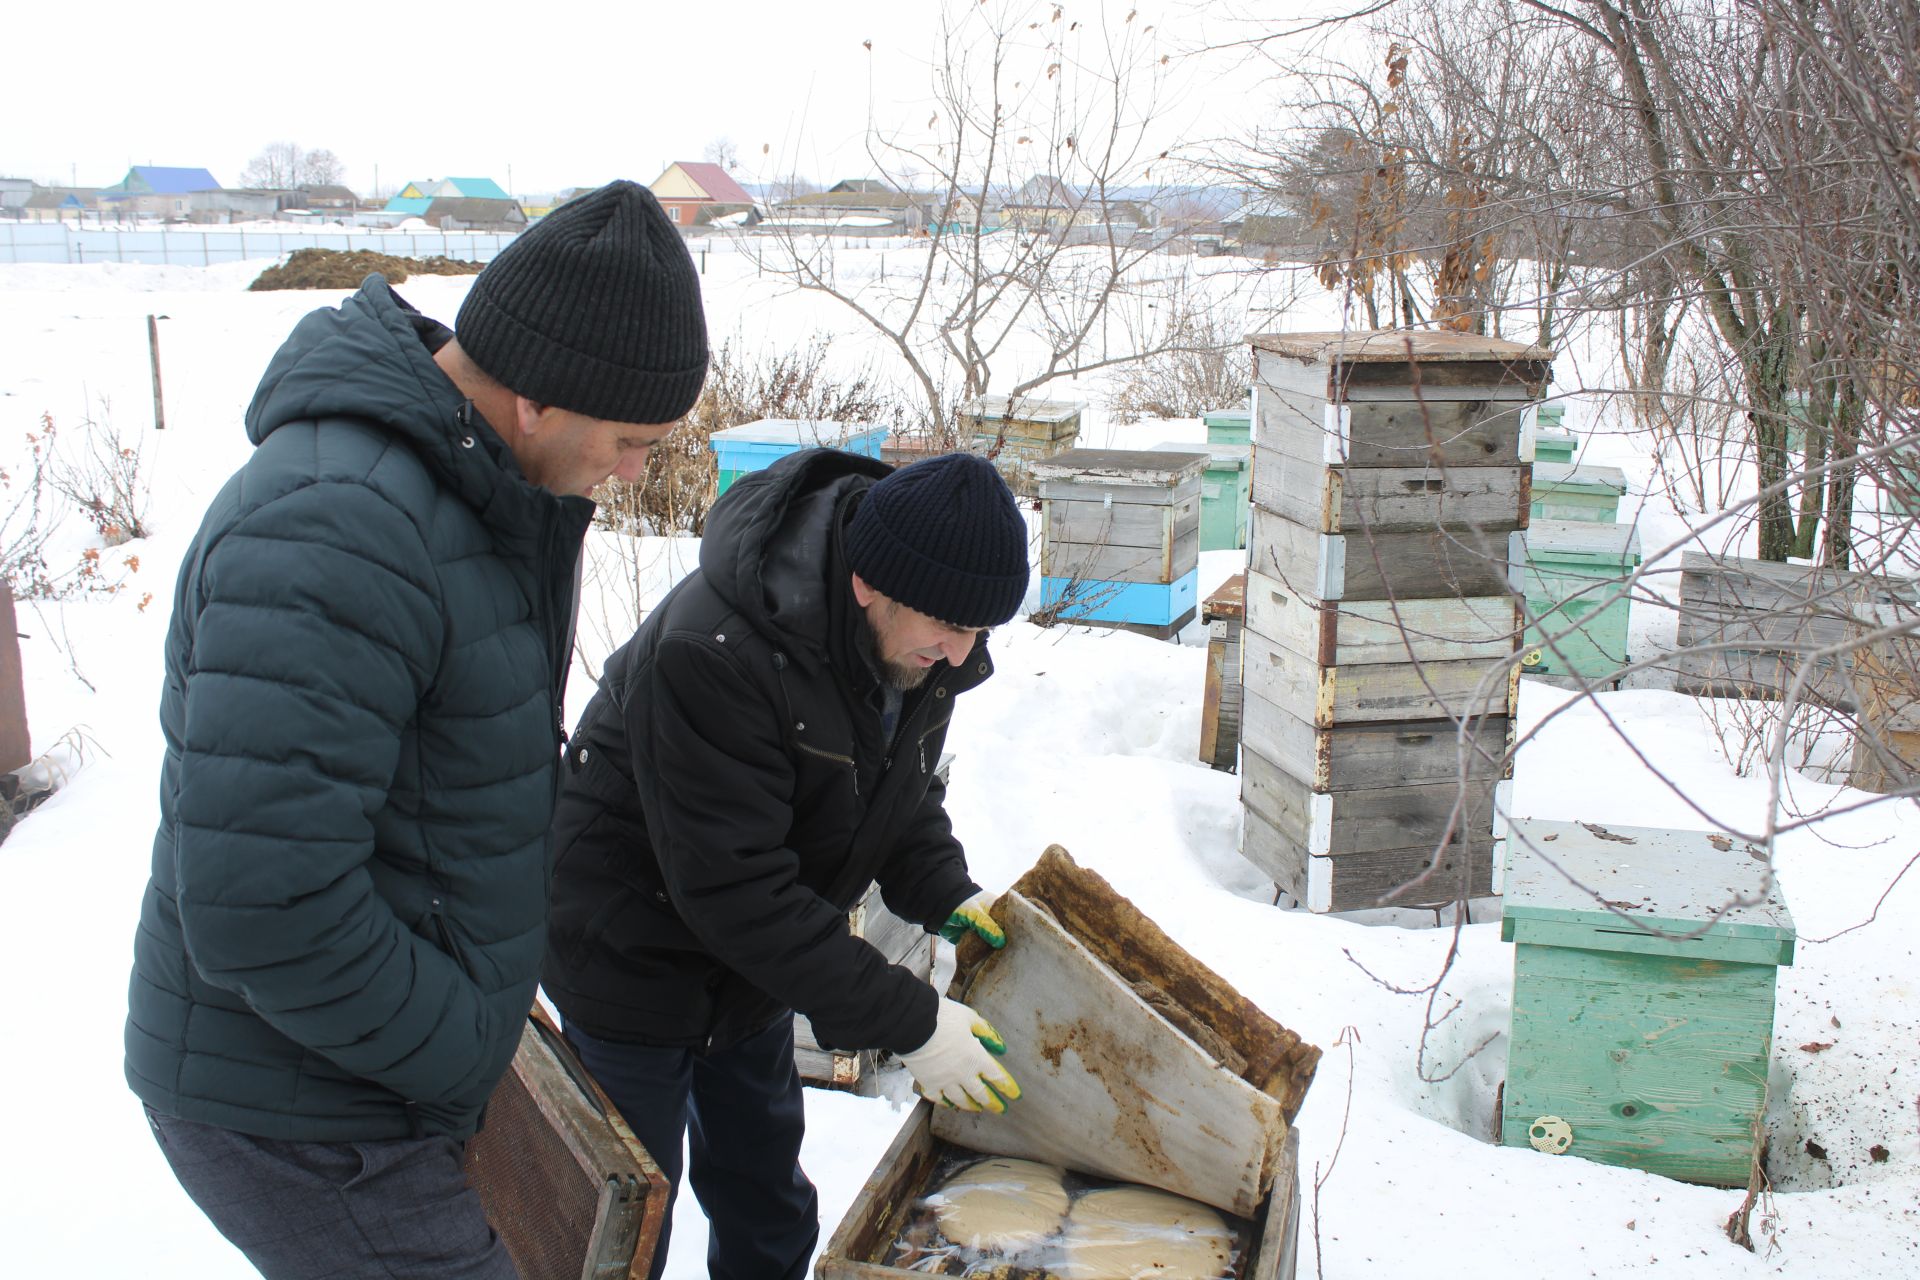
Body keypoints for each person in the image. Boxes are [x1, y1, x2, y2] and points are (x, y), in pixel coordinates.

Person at [123, 180, 709, 1280]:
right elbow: (264, 909)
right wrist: (459, 1042)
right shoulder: (335, 529)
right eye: (632, 439)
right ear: (536, 397)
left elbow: (439, 790)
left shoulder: (474, 493)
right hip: (296, 1105)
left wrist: (481, 983)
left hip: (360, 1057)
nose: (637, 473)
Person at [544, 447, 1031, 1279]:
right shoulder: (714, 652)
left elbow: (894, 792)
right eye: (949, 629)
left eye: (978, 631)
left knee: (766, 1202)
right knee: (622, 1227)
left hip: (750, 971)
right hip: (628, 951)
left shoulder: (911, 643)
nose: (960, 653)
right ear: (867, 583)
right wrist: (909, 1020)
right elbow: (736, 891)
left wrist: (945, 889)